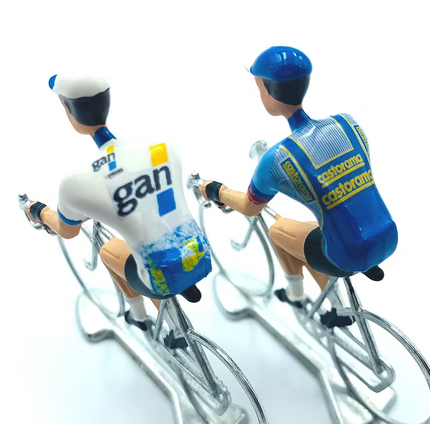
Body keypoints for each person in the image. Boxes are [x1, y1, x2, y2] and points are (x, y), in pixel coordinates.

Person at [200, 46, 398, 328]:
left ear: (268, 92)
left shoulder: (277, 159)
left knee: (278, 231)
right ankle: (332, 303)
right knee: (307, 233)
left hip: (347, 253)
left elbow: (248, 207)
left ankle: (296, 295)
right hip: (386, 234)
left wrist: (216, 190)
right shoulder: (347, 123)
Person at [26, 74, 211, 348]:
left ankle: (140, 317)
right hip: (200, 253)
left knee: (108, 251)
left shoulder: (76, 183)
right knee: (146, 248)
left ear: (66, 108)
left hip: (161, 273)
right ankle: (168, 309)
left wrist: (38, 211)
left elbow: (67, 230)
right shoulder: (161, 147)